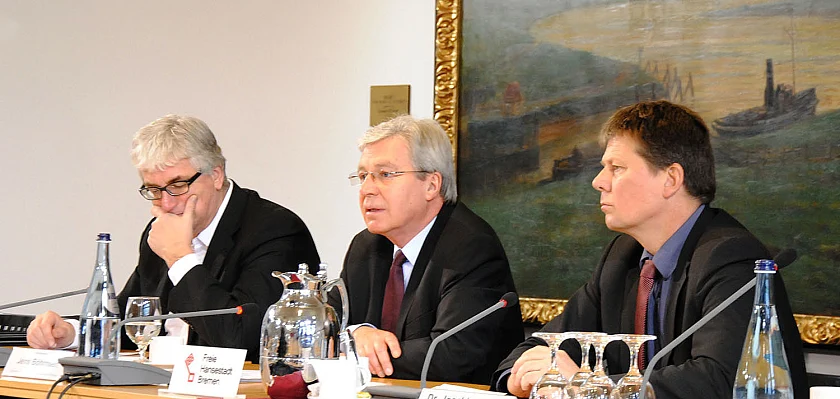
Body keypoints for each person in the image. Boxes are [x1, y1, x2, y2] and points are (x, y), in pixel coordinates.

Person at [493, 101, 807, 398]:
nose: (599, 182)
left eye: (616, 167)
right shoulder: (623, 257)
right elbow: (544, 344)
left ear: (671, 179)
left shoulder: (733, 259)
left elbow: (722, 379)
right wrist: (526, 376)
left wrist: (589, 386)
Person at [26, 114, 320, 362]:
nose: (165, 203)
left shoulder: (275, 231)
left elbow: (241, 339)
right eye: (153, 189)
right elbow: (135, 324)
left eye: (177, 185)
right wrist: (71, 333)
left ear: (216, 175)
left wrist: (181, 259)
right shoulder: (162, 231)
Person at [332, 115, 523, 385]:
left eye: (385, 174)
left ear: (432, 185)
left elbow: (451, 354)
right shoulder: (367, 246)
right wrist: (358, 332)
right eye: (363, 176)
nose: (366, 190)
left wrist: (355, 352)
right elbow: (328, 324)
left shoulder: (471, 247)